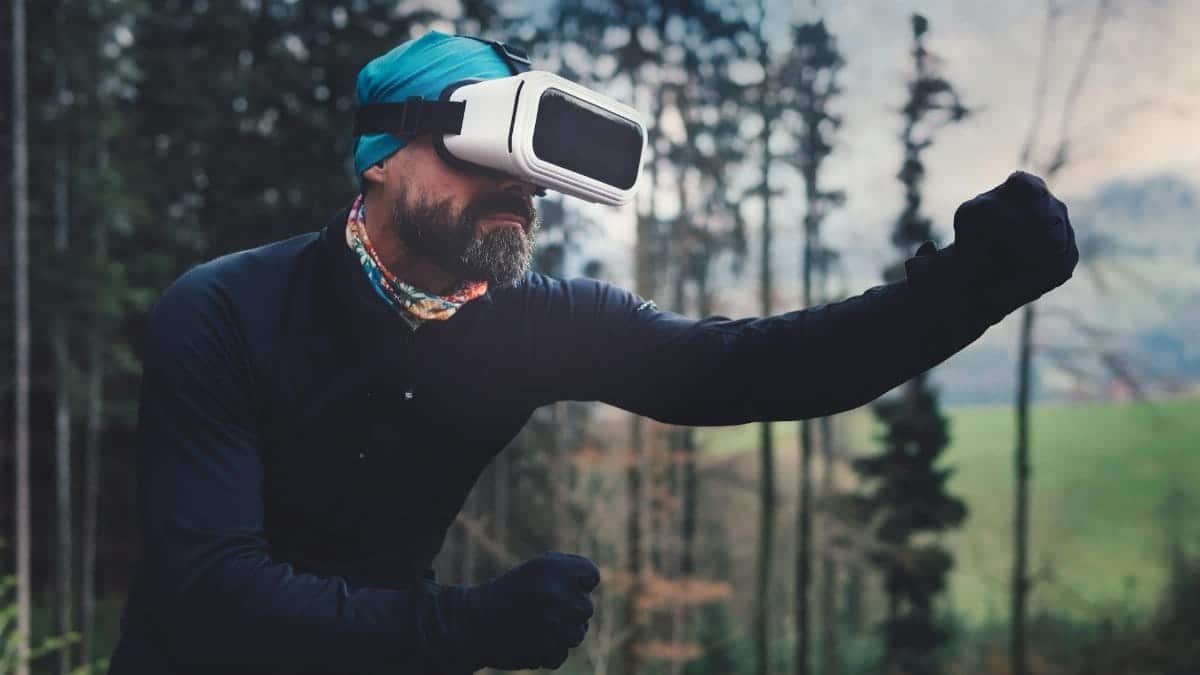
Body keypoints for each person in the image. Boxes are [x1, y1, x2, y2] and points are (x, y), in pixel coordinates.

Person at [107, 30, 1078, 675]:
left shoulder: (534, 324)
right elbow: (212, 597)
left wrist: (965, 293)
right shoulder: (225, 313)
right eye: (486, 157)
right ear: (378, 158)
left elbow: (759, 367)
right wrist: (466, 628)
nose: (520, 194)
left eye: (536, 175)